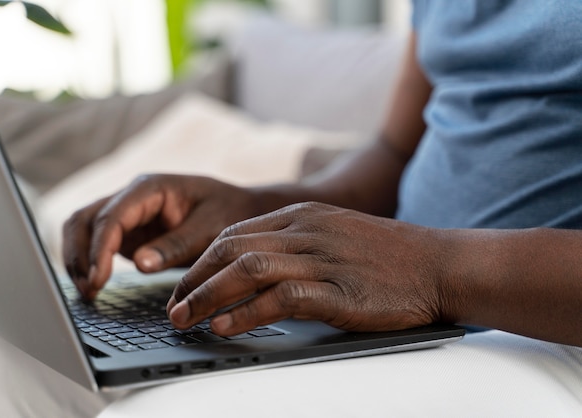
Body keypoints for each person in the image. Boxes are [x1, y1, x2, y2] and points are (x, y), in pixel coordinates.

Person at [63, 0, 582, 348]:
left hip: (536, 339)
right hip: (405, 320)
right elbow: (394, 150)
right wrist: (259, 207)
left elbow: (427, 265)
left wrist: (432, 271)